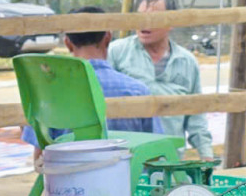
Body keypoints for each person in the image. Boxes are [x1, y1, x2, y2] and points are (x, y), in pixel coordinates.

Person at [22, 8, 157, 144]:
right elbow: (155, 148)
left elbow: (40, 154)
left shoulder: (48, 93)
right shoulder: (138, 91)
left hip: (69, 164)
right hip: (125, 165)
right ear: (108, 37)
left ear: (68, 43)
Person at [110, 0, 213, 156]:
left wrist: (206, 155)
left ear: (171, 22)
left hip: (170, 160)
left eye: (153, 18)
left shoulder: (187, 61)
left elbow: (196, 116)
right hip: (127, 158)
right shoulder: (117, 52)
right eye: (140, 17)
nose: (144, 23)